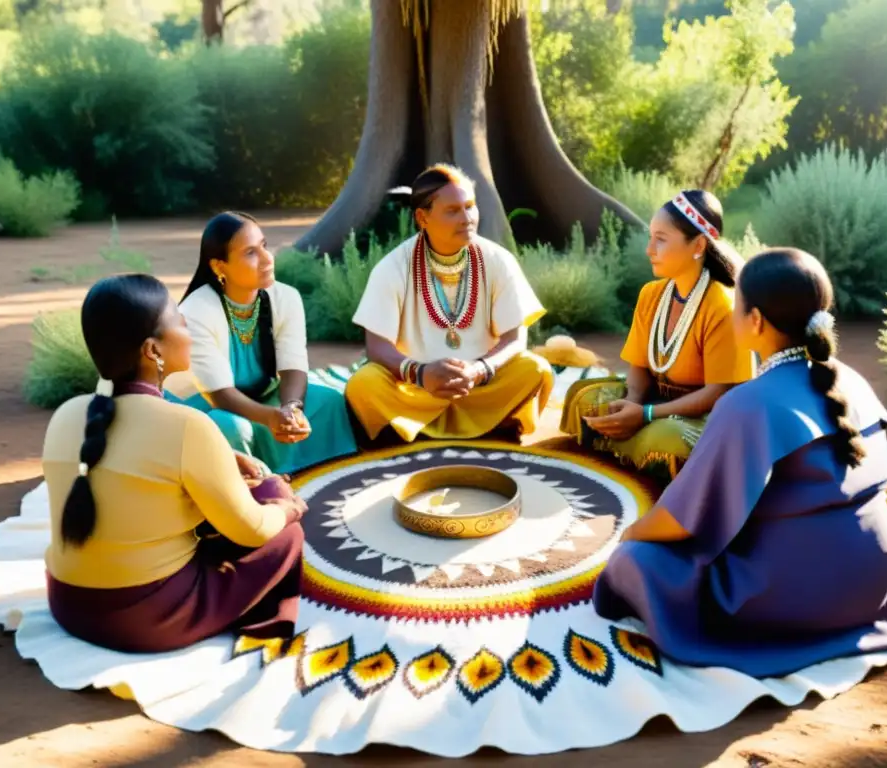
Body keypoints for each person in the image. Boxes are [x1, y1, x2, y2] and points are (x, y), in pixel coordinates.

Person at [592, 249, 887, 678]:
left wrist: (631, 533)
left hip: (796, 597)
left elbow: (684, 520)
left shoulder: (748, 404)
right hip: (874, 581)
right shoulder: (851, 380)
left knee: (637, 560)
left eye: (736, 306)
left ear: (755, 321)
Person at [43, 274, 309, 653]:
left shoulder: (67, 414)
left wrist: (219, 456)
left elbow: (131, 473)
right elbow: (252, 531)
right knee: (281, 521)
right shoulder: (186, 426)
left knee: (252, 493)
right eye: (181, 324)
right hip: (142, 619)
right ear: (153, 350)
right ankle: (260, 623)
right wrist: (288, 509)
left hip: (68, 604)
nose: (190, 334)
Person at [344, 164, 554, 443]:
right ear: (422, 217)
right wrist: (421, 373)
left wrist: (478, 370)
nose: (467, 218)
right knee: (364, 384)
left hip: (482, 388)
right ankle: (457, 429)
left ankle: (481, 425)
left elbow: (515, 338)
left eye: (470, 206)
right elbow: (377, 346)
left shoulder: (497, 260)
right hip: (415, 391)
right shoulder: (393, 267)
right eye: (453, 211)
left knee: (536, 370)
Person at [560, 190, 753, 484]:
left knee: (669, 439)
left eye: (661, 239)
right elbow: (638, 364)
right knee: (582, 398)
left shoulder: (722, 305)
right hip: (651, 399)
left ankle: (631, 448)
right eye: (651, 237)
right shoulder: (652, 295)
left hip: (704, 415)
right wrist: (633, 401)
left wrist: (646, 414)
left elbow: (717, 393)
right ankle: (633, 444)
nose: (649, 249)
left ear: (698, 245)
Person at [165, 212, 357, 475]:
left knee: (329, 402)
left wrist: (291, 409)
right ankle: (251, 489)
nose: (267, 259)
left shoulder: (285, 297)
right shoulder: (196, 311)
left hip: (266, 393)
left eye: (264, 246)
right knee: (232, 428)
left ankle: (319, 475)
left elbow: (293, 366)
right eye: (250, 253)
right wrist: (270, 418)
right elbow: (218, 394)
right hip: (206, 404)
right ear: (219, 266)